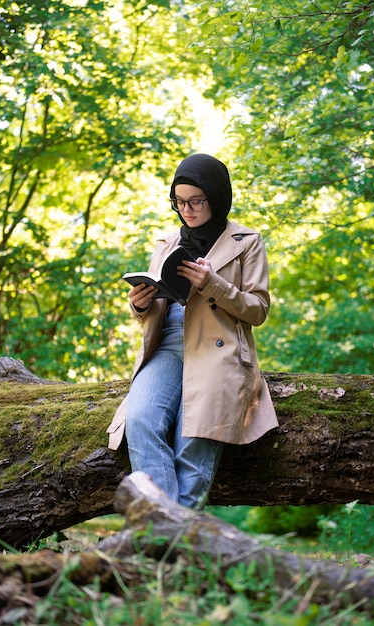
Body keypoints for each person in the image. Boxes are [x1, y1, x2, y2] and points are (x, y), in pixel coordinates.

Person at [107, 153, 278, 508]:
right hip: (167, 345)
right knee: (141, 420)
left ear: (216, 196)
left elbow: (258, 310)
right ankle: (164, 528)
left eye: (195, 200)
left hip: (219, 353)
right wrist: (140, 303)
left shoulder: (248, 241)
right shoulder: (166, 242)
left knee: (194, 442)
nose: (187, 209)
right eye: (179, 201)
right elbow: (154, 310)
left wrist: (214, 285)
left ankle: (169, 547)